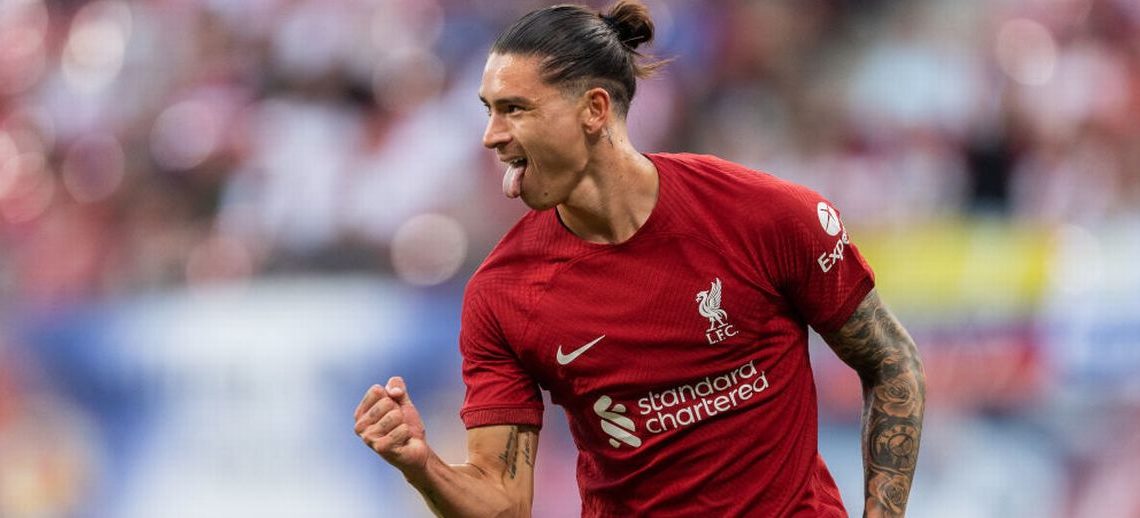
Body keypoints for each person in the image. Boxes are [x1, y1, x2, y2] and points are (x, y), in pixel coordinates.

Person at [353, 2, 926, 516]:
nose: (491, 135)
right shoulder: (502, 293)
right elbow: (503, 505)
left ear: (594, 109)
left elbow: (891, 361)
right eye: (488, 111)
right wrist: (421, 465)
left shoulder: (767, 216)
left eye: (514, 109)